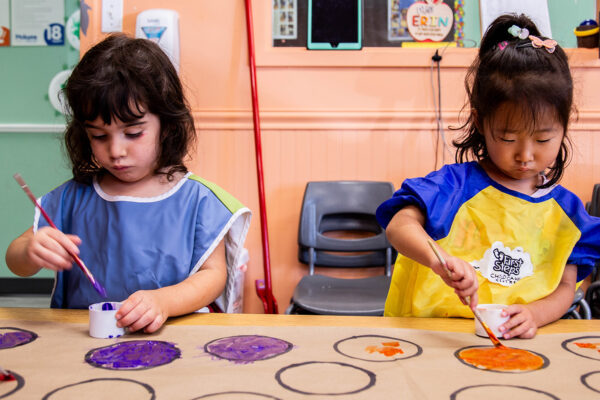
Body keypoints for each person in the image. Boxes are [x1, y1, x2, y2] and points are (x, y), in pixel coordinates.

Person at [5, 34, 251, 333]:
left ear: (167, 125)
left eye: (133, 133)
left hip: (172, 340)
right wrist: (30, 250)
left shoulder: (197, 201)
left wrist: (164, 301)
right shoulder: (73, 198)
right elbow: (15, 260)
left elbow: (214, 277)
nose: (116, 151)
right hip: (82, 342)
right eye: (99, 135)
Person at [376, 14, 600, 339]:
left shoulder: (567, 213)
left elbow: (567, 287)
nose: (525, 155)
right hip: (432, 338)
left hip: (511, 347)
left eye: (542, 140)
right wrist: (439, 260)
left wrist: (536, 314)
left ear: (565, 126)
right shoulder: (455, 186)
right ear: (481, 123)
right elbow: (398, 225)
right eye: (509, 138)